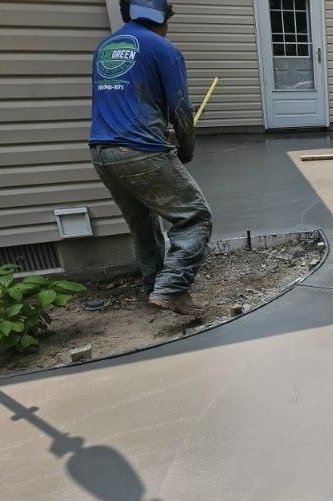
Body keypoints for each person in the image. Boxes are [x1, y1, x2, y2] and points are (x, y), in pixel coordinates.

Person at [89, 0, 213, 316]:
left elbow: (125, 107)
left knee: (142, 224)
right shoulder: (162, 48)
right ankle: (172, 289)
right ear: (163, 19)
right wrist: (185, 148)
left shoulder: (106, 47)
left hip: (102, 153)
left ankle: (153, 288)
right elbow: (181, 109)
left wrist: (159, 134)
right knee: (194, 216)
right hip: (140, 152)